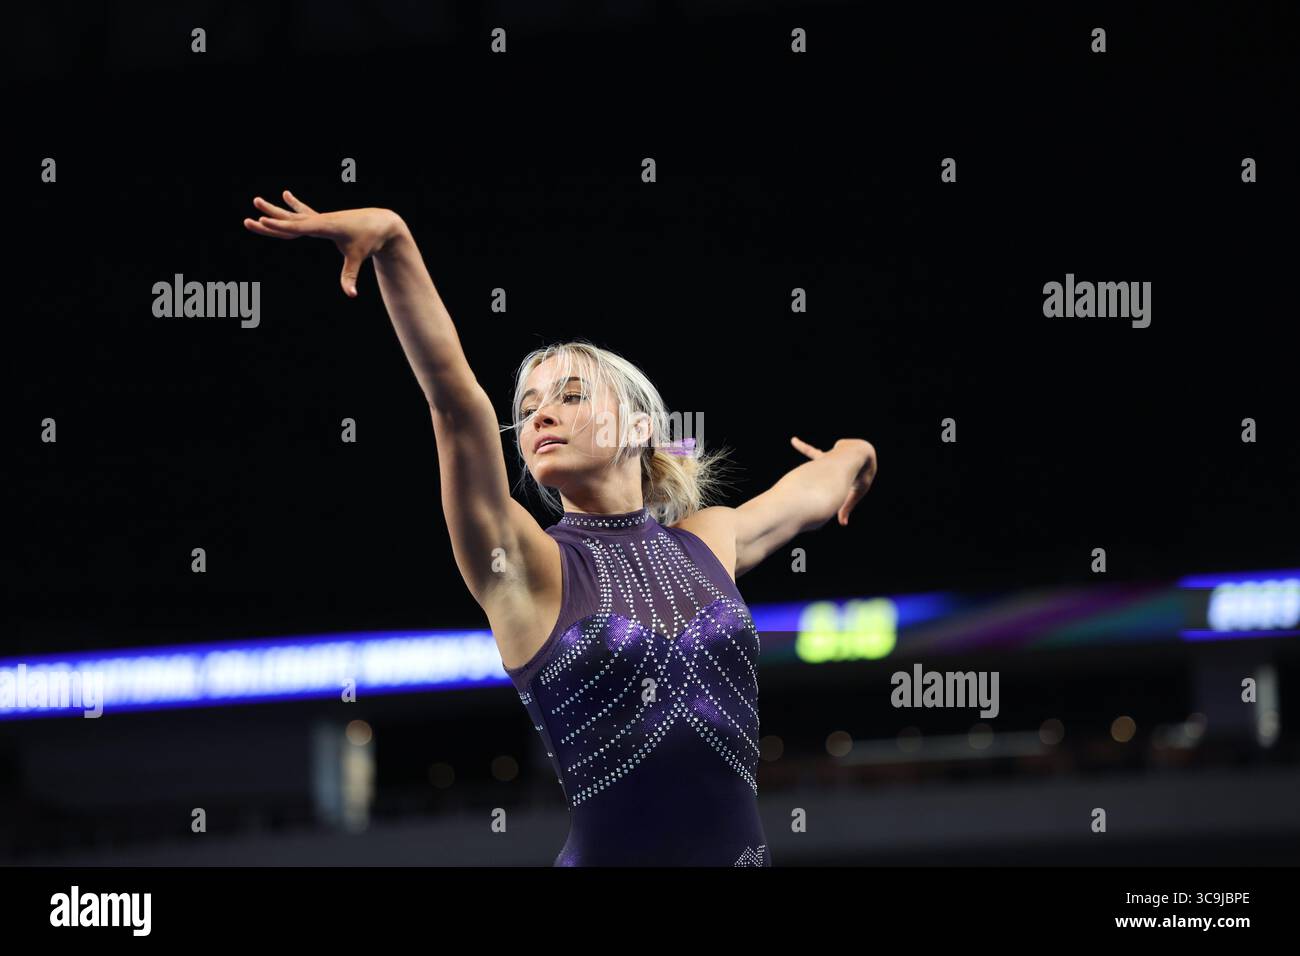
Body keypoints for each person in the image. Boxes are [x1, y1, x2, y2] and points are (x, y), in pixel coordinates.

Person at [244, 192, 878, 865]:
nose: (540, 415)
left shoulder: (707, 542)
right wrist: (395, 246)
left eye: (571, 396)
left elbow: (814, 488)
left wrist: (856, 455)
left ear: (638, 427)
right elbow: (456, 406)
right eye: (528, 407)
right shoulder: (526, 568)